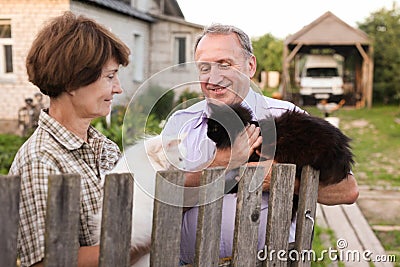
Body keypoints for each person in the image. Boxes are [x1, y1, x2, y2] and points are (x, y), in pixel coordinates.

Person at [161, 24, 359, 264]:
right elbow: (160, 203)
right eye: (205, 67)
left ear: (251, 66)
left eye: (225, 64)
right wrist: (220, 164)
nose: (214, 77)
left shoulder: (289, 115)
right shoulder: (180, 123)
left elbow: (348, 191)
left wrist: (283, 180)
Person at [9, 12, 149, 267]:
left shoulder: (105, 148)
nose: (118, 88)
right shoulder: (40, 161)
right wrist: (151, 234)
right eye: (109, 76)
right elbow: (50, 263)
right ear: (74, 81)